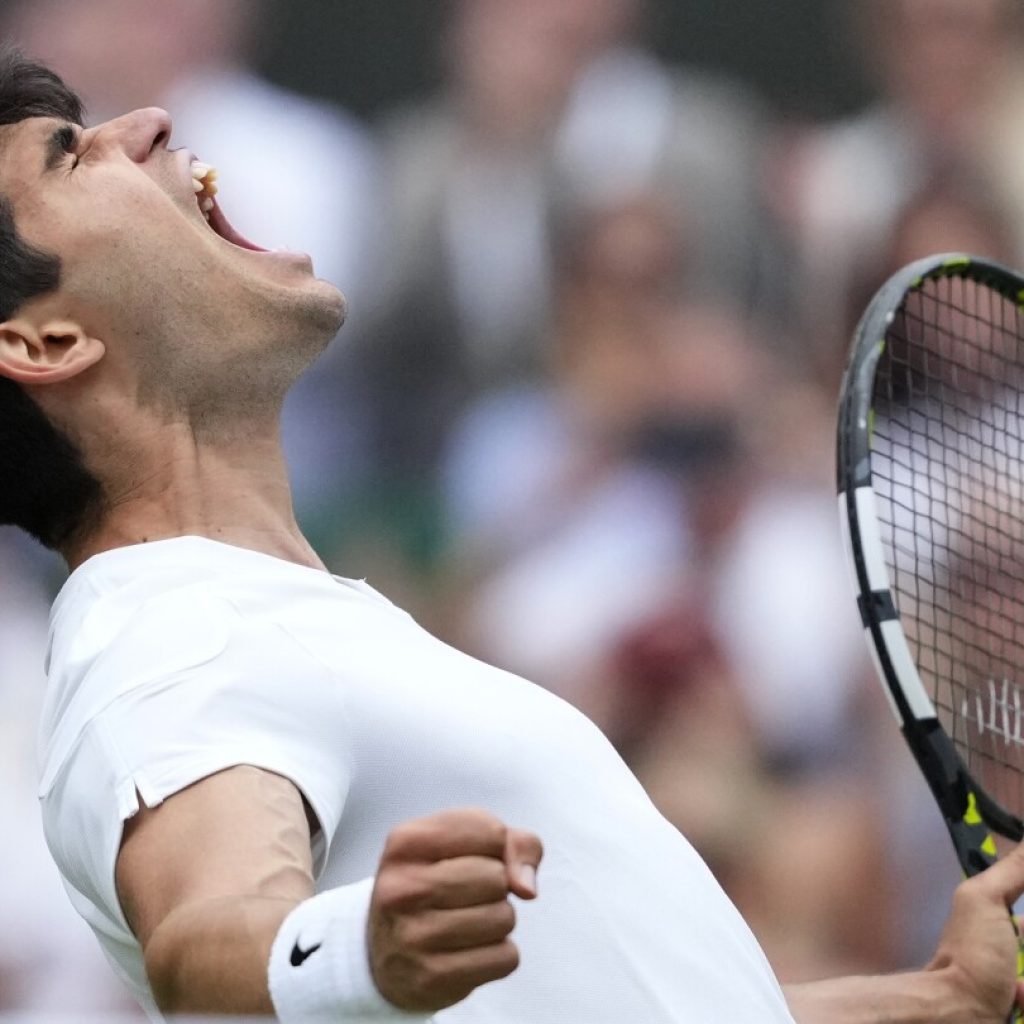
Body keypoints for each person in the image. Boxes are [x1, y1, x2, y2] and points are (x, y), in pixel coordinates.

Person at [0, 50, 1021, 1024]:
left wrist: (936, 1000)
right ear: (45, 341)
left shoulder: (271, 620)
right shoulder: (172, 635)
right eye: (69, 154)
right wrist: (359, 947)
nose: (146, 123)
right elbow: (199, 935)